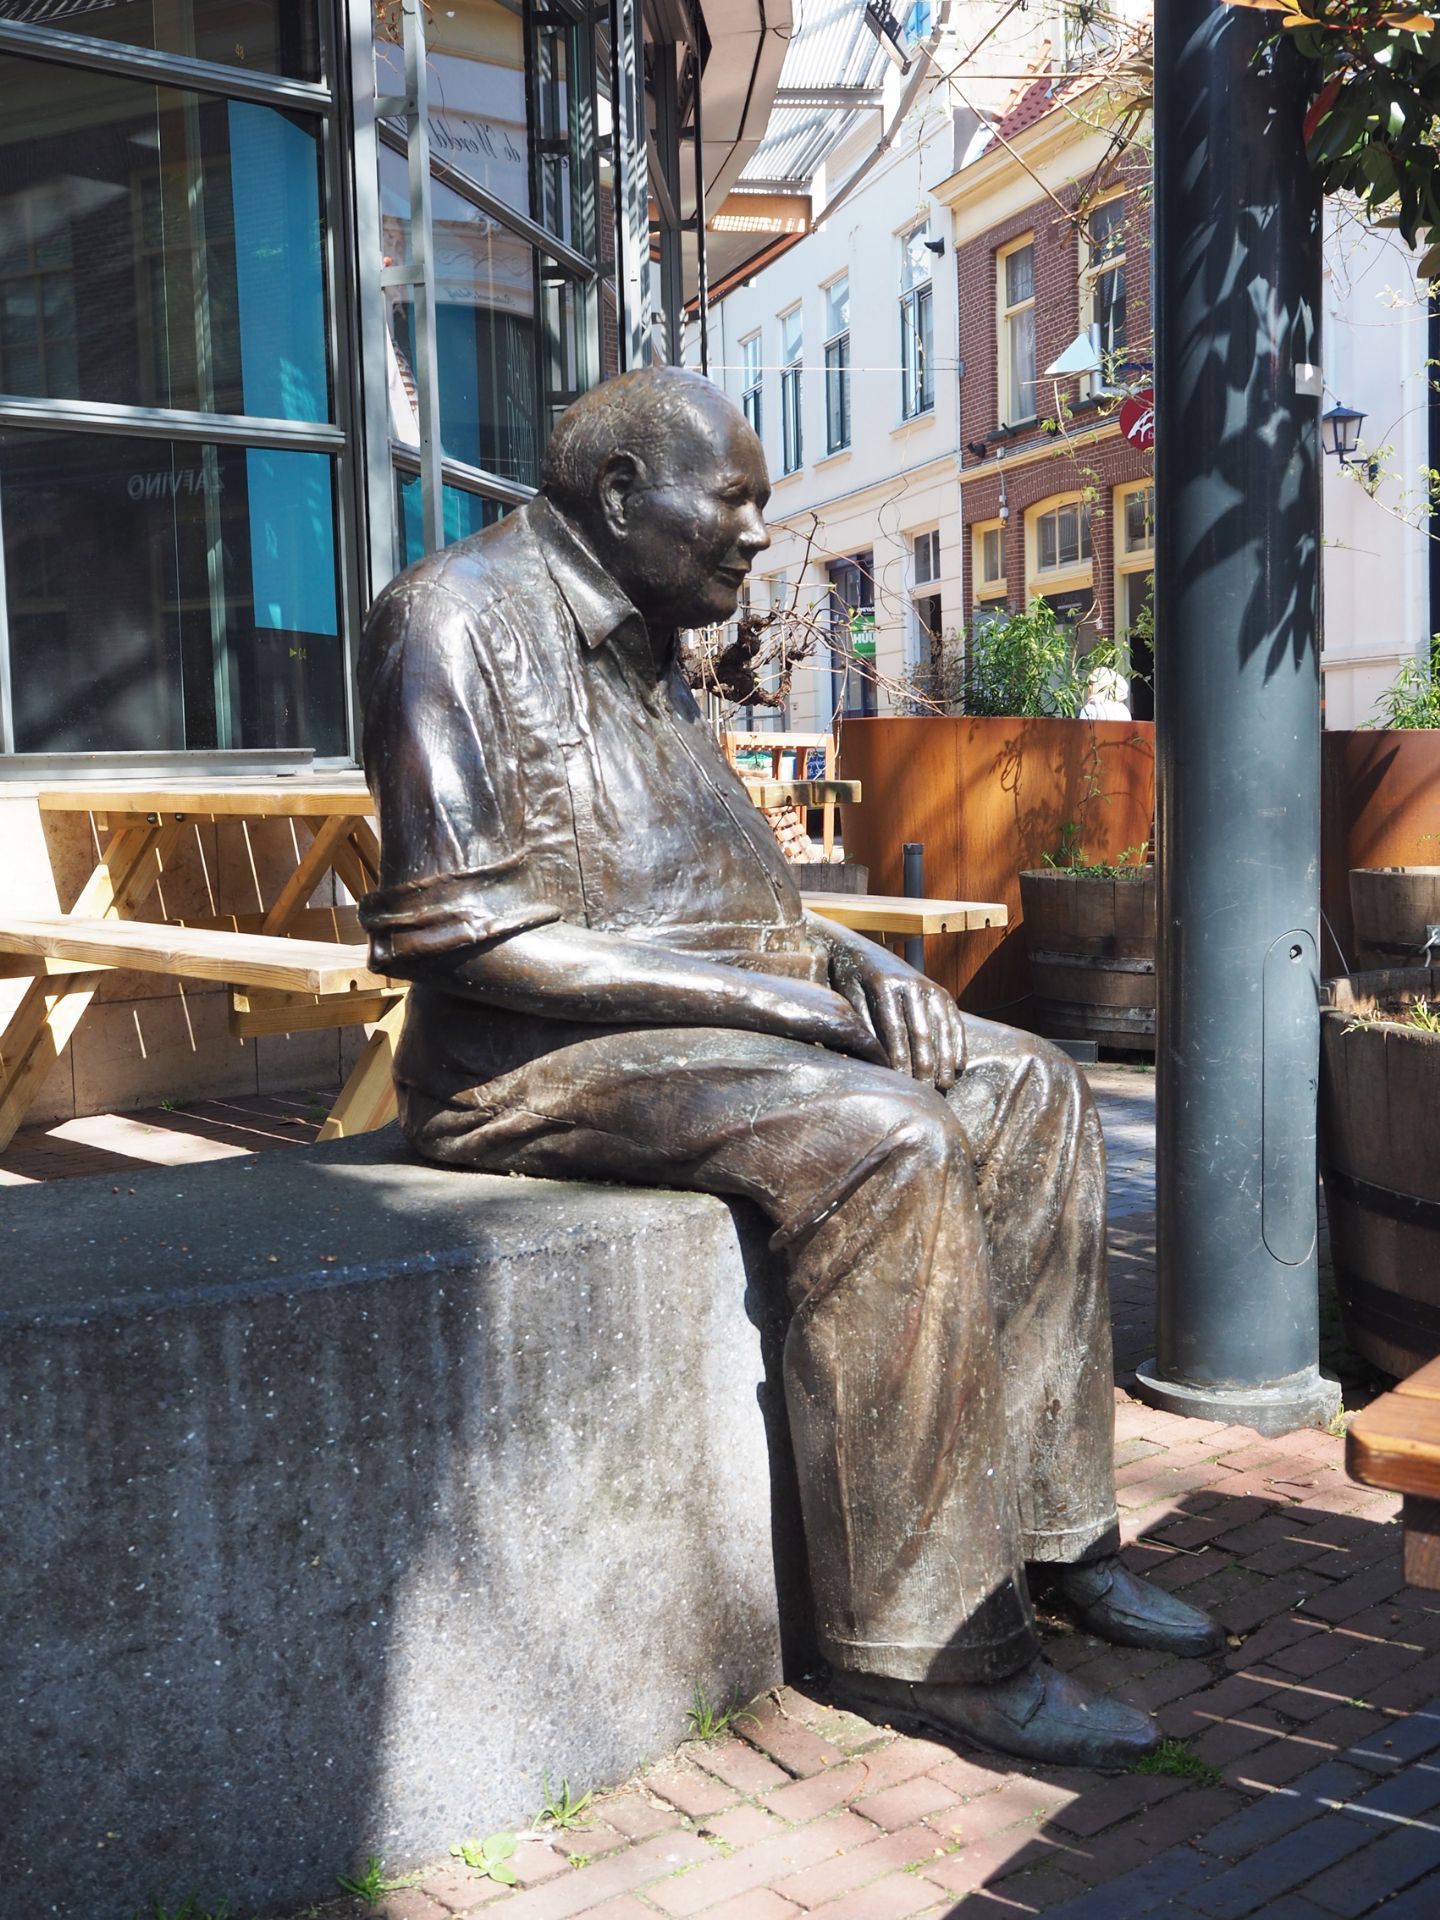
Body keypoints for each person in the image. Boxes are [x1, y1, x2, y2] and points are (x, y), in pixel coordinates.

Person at [358, 367, 1221, 1770]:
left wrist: (851, 966)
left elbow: (725, 891)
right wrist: (794, 1014)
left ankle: (1061, 1544)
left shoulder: (648, 639)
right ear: (625, 495)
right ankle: (926, 1645)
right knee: (885, 1135)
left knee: (1033, 1089)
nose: (759, 530)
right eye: (737, 500)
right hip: (532, 1060)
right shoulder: (450, 622)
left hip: (703, 1024)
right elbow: (472, 940)